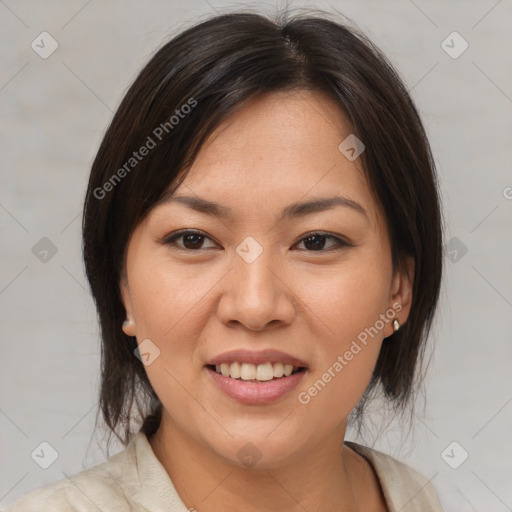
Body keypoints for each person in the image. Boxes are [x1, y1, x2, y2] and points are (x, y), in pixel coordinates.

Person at [7, 9, 445, 512]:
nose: (255, 306)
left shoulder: (410, 496)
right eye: (193, 239)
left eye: (317, 241)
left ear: (399, 288)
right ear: (122, 286)